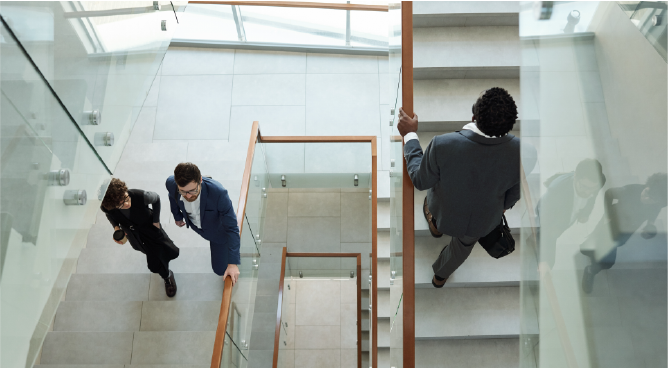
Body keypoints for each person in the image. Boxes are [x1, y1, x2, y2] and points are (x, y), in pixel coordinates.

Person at [397, 87, 521, 288]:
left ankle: (436, 228)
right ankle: (440, 276)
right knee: (462, 248)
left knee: (433, 203)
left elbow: (420, 180)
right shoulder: (522, 152)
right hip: (483, 221)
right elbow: (513, 195)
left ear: (474, 116)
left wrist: (410, 134)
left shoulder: (443, 145)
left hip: (445, 212)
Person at [580, 173, 668, 293]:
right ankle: (590, 270)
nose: (646, 198)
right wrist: (608, 214)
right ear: (647, 185)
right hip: (611, 224)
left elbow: (655, 210)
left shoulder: (658, 203)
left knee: (613, 242)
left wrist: (650, 223)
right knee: (607, 263)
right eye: (647, 192)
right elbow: (609, 193)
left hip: (626, 230)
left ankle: (588, 248)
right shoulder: (631, 190)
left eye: (652, 199)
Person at [101, 178, 179, 297]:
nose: (126, 204)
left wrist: (156, 221)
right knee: (146, 250)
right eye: (120, 205)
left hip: (150, 228)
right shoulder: (108, 207)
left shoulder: (140, 196)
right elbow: (110, 215)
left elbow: (157, 198)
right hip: (134, 235)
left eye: (126, 198)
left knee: (158, 257)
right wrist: (116, 228)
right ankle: (165, 270)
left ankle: (167, 276)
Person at [165, 162, 241, 284]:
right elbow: (171, 196)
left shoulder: (219, 194)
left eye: (192, 191)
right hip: (199, 226)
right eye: (183, 192)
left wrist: (233, 263)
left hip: (218, 232)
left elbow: (232, 228)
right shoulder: (171, 183)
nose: (188, 196)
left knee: (220, 269)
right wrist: (177, 216)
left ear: (200, 180)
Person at [535, 159, 607, 268]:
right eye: (584, 187)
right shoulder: (556, 190)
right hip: (551, 218)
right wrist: (545, 260)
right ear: (576, 177)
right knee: (548, 253)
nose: (588, 192)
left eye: (592, 188)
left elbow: (593, 197)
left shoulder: (599, 181)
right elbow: (544, 222)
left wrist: (585, 213)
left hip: (566, 219)